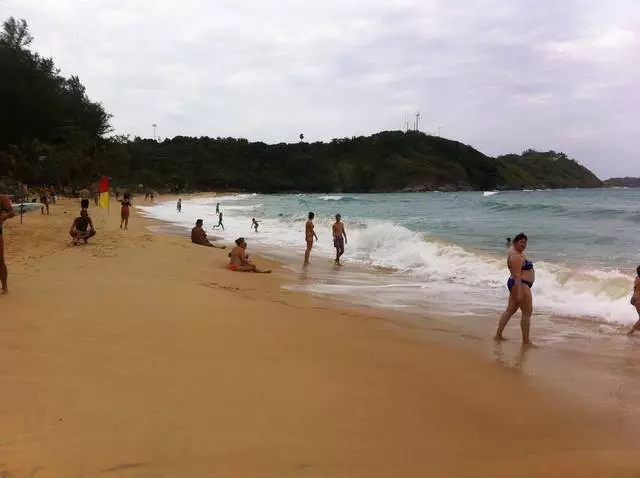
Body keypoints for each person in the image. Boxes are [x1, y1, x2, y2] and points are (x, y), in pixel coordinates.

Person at [495, 232, 534, 345]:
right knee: (527, 312)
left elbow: (511, 246)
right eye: (521, 242)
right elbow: (517, 275)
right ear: (515, 243)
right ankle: (526, 341)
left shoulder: (515, 251)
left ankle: (498, 335)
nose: (524, 244)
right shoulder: (516, 256)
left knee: (510, 310)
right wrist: (519, 293)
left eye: (525, 242)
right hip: (520, 284)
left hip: (518, 283)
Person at [0, 194, 15, 294]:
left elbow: (12, 212)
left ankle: (4, 287)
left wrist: (5, 216)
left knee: (0, 261)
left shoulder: (2, 198)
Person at [627, 266, 640, 336]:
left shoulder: (637, 278)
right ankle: (631, 332)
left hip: (634, 298)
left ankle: (635, 329)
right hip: (638, 300)